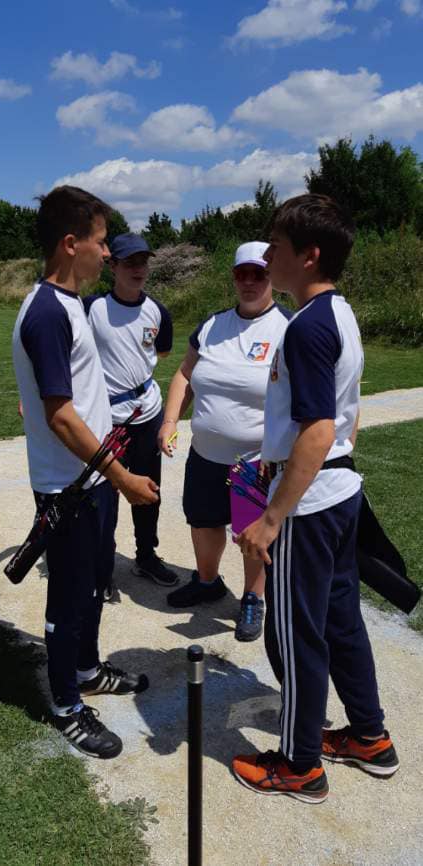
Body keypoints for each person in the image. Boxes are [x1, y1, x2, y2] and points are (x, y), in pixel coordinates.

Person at [233, 194, 399, 802]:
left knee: (297, 634)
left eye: (276, 247)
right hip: (338, 491)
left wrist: (272, 516)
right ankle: (369, 736)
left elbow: (319, 430)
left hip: (308, 503)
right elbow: (342, 419)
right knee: (340, 621)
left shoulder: (305, 327)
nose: (267, 257)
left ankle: (299, 764)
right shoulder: (339, 312)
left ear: (309, 255)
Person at [12, 186, 158, 760]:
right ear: (71, 244)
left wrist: (109, 478)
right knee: (68, 600)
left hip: (90, 482)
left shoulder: (70, 304)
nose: (107, 252)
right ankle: (67, 704)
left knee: (95, 584)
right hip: (68, 488)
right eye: (101, 242)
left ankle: (87, 670)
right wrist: (122, 475)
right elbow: (61, 417)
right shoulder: (48, 312)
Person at [158, 242, 291, 641]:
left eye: (258, 273)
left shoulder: (288, 328)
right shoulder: (212, 325)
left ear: (271, 276)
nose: (249, 282)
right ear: (233, 277)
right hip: (204, 454)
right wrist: (170, 420)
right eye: (241, 274)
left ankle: (252, 598)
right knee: (203, 522)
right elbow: (184, 374)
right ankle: (207, 582)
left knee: (251, 532)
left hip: (254, 459)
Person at [85, 233, 178, 593]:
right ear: (113, 266)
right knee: (103, 494)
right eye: (129, 262)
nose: (138, 269)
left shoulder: (158, 311)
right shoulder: (91, 308)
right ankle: (101, 564)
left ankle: (146, 556)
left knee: (148, 490)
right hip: (106, 418)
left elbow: (161, 353)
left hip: (147, 415)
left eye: (143, 261)